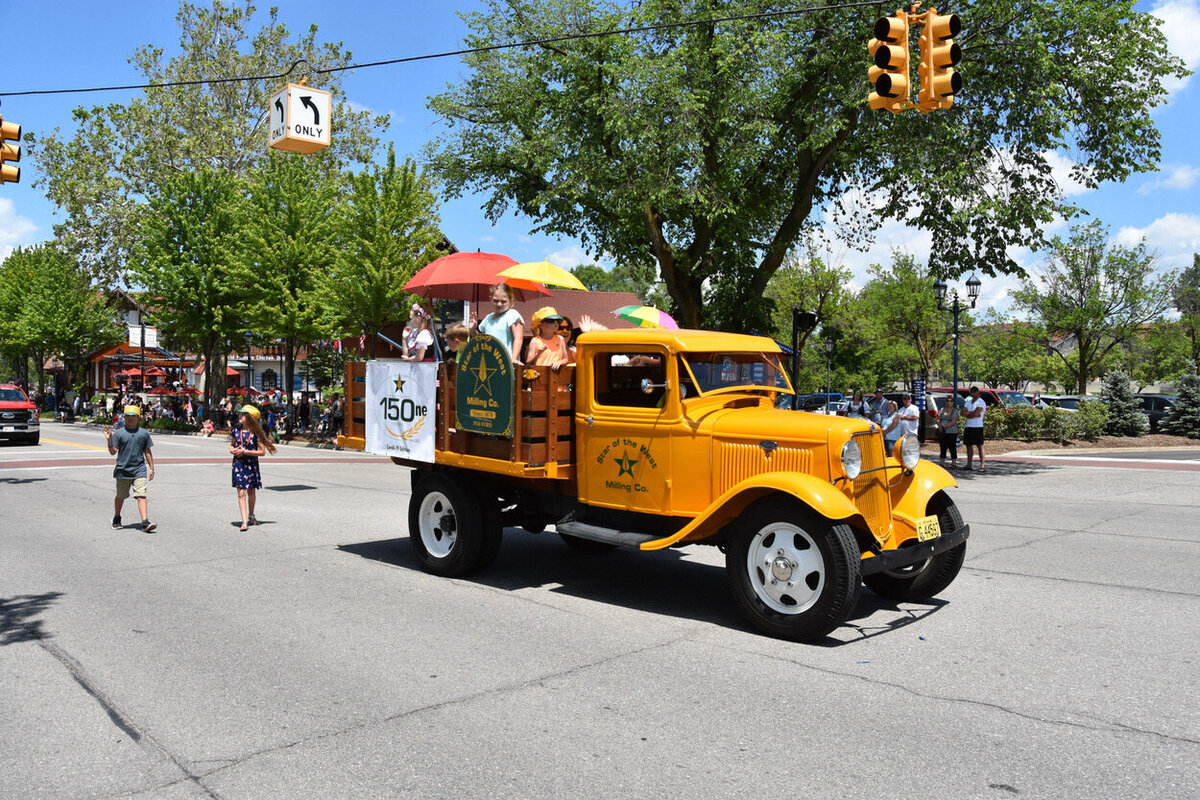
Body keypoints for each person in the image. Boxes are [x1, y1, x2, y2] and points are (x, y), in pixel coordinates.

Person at [104, 405, 157, 532]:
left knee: (141, 495)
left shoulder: (143, 434)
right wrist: (109, 440)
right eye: (127, 416)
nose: (130, 419)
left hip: (139, 469)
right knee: (121, 496)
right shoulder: (119, 433)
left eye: (133, 416)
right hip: (123, 470)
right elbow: (113, 452)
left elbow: (147, 452)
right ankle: (117, 518)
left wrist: (152, 468)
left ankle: (145, 522)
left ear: (138, 418)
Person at [230, 404, 277, 531]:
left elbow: (262, 452)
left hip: (250, 465)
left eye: (243, 415)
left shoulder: (256, 434)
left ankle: (251, 515)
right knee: (241, 493)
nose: (240, 416)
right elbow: (231, 446)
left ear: (249, 418)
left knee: (251, 491)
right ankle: (244, 521)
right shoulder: (236, 431)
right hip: (239, 464)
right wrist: (234, 450)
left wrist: (245, 452)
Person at [471, 283, 525, 361]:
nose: (499, 304)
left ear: (511, 301)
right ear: (491, 299)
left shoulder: (512, 314)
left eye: (503, 301)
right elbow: (480, 341)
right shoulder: (488, 318)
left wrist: (514, 358)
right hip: (489, 361)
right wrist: (472, 329)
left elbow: (518, 338)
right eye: (495, 301)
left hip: (506, 363)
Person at [963, 385, 987, 471]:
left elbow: (976, 414)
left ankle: (982, 465)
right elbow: (962, 413)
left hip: (977, 426)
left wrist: (969, 414)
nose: (973, 393)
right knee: (968, 445)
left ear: (978, 392)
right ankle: (969, 464)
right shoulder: (968, 402)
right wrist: (971, 413)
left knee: (979, 446)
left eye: (974, 391)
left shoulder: (981, 402)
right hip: (968, 426)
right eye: (971, 391)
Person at [937, 397, 960, 468]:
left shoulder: (955, 411)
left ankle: (954, 463)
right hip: (942, 432)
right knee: (942, 446)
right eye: (947, 401)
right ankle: (942, 462)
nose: (949, 402)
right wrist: (940, 425)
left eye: (951, 401)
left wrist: (944, 426)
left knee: (952, 447)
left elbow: (953, 421)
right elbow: (938, 419)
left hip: (952, 432)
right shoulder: (942, 410)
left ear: (953, 402)